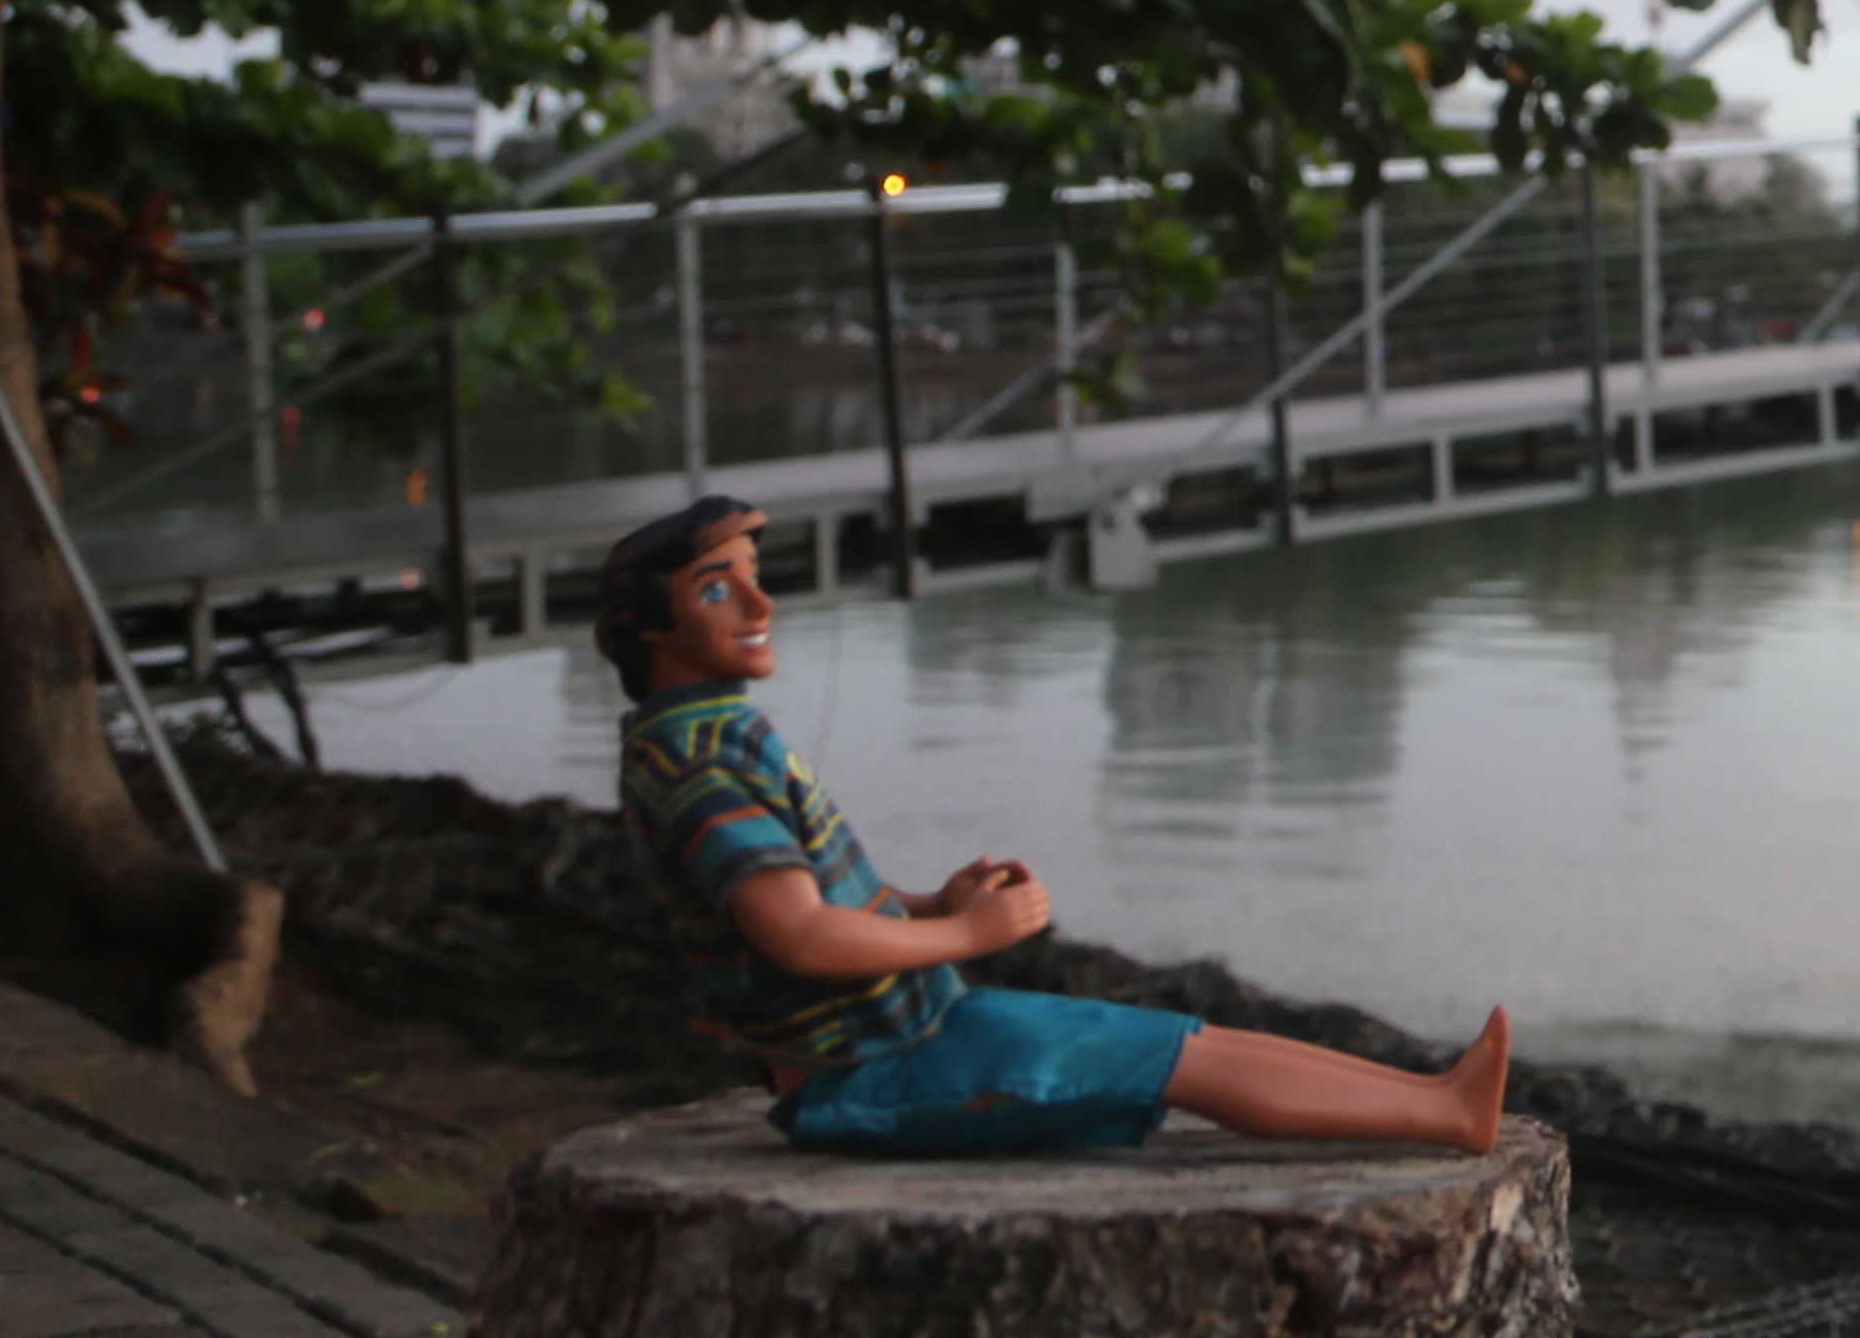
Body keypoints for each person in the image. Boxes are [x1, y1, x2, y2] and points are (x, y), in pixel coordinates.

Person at [594, 495, 1507, 1156]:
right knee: (1177, 1063)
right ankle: (1441, 1116)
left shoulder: (708, 737)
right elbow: (799, 936)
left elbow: (809, 901)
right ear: (651, 627)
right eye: (716, 591)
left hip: (910, 1033)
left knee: (1189, 1041)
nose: (759, 606)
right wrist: (968, 935)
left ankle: (1437, 1095)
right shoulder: (698, 764)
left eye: (753, 579)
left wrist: (927, 905)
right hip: (868, 1076)